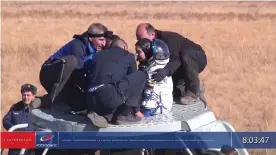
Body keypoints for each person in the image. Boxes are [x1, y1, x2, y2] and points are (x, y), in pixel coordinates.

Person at [39, 23, 112, 111]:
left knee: (83, 103)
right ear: (90, 38)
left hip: (67, 81)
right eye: (101, 40)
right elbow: (79, 71)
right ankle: (56, 102)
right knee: (72, 61)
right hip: (49, 74)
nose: (104, 44)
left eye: (105, 40)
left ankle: (43, 101)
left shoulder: (97, 49)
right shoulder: (77, 45)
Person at [136, 23, 207, 105]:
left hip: (195, 58)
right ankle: (192, 87)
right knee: (174, 93)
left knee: (186, 55)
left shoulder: (169, 39)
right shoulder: (149, 45)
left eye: (141, 38)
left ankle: (193, 92)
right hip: (179, 66)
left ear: (152, 34)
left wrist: (166, 70)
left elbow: (175, 60)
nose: (140, 42)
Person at [86, 38, 148, 128]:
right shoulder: (128, 56)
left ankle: (103, 116)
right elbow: (134, 85)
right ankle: (126, 115)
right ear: (124, 47)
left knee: (113, 95)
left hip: (91, 99)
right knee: (141, 75)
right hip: (109, 95)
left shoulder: (97, 55)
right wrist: (136, 110)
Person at [135, 38, 174, 116]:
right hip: (155, 104)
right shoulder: (150, 66)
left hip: (156, 107)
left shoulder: (155, 69)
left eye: (139, 52)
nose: (137, 54)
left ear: (147, 52)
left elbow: (151, 91)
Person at [2, 83, 40, 155]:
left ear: (33, 97)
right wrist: (15, 130)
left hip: (30, 150)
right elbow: (5, 120)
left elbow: (40, 127)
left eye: (28, 95)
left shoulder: (38, 111)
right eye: (24, 95)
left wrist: (25, 132)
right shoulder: (15, 107)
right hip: (14, 148)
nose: (26, 97)